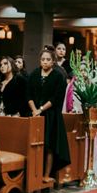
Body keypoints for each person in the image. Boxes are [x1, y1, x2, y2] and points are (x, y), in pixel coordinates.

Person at [27, 47, 71, 182]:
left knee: (49, 146)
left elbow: (56, 98)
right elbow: (28, 94)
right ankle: (34, 174)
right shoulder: (34, 74)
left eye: (48, 60)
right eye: (43, 59)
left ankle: (46, 175)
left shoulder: (58, 76)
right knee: (34, 145)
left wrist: (40, 109)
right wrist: (34, 110)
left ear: (53, 62)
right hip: (34, 114)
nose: (45, 62)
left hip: (51, 115)